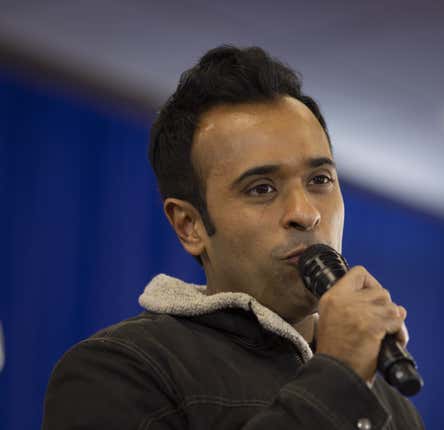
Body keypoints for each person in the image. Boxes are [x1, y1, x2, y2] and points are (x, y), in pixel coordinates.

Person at [42, 45, 424, 429]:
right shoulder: (119, 371)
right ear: (189, 226)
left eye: (320, 180)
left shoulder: (387, 400)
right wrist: (338, 378)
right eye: (261, 189)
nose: (306, 213)